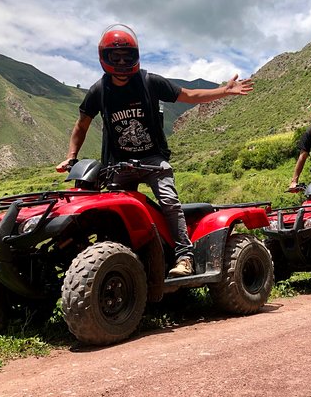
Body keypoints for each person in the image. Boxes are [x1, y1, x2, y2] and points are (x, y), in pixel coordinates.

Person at [56, 24, 253, 277]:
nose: (122, 61)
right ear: (104, 57)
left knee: (170, 202)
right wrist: (71, 157)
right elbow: (81, 124)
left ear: (135, 55)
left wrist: (224, 91)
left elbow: (189, 95)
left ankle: (184, 256)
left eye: (127, 55)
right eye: (115, 56)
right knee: (109, 212)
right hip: (118, 163)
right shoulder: (98, 90)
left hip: (152, 160)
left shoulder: (149, 81)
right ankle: (123, 260)